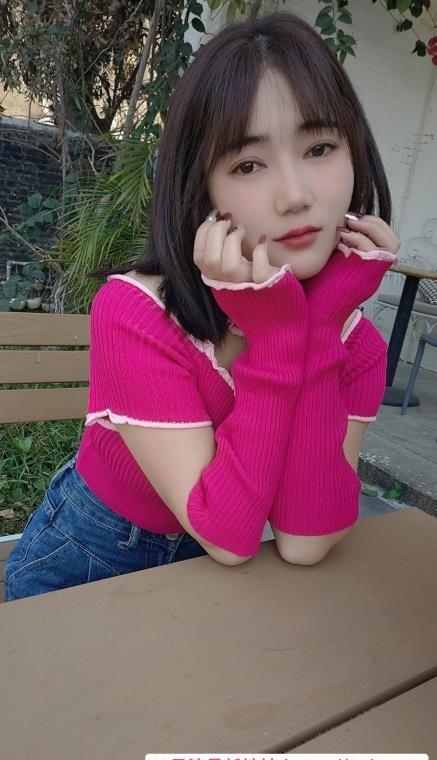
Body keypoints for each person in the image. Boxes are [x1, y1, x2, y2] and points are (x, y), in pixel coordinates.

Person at [4, 12, 399, 601]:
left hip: (215, 584)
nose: (296, 196)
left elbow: (305, 543)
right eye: (248, 165)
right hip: (88, 560)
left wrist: (315, 325)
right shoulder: (137, 313)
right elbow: (229, 536)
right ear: (202, 186)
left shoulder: (355, 343)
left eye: (319, 148)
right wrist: (280, 339)